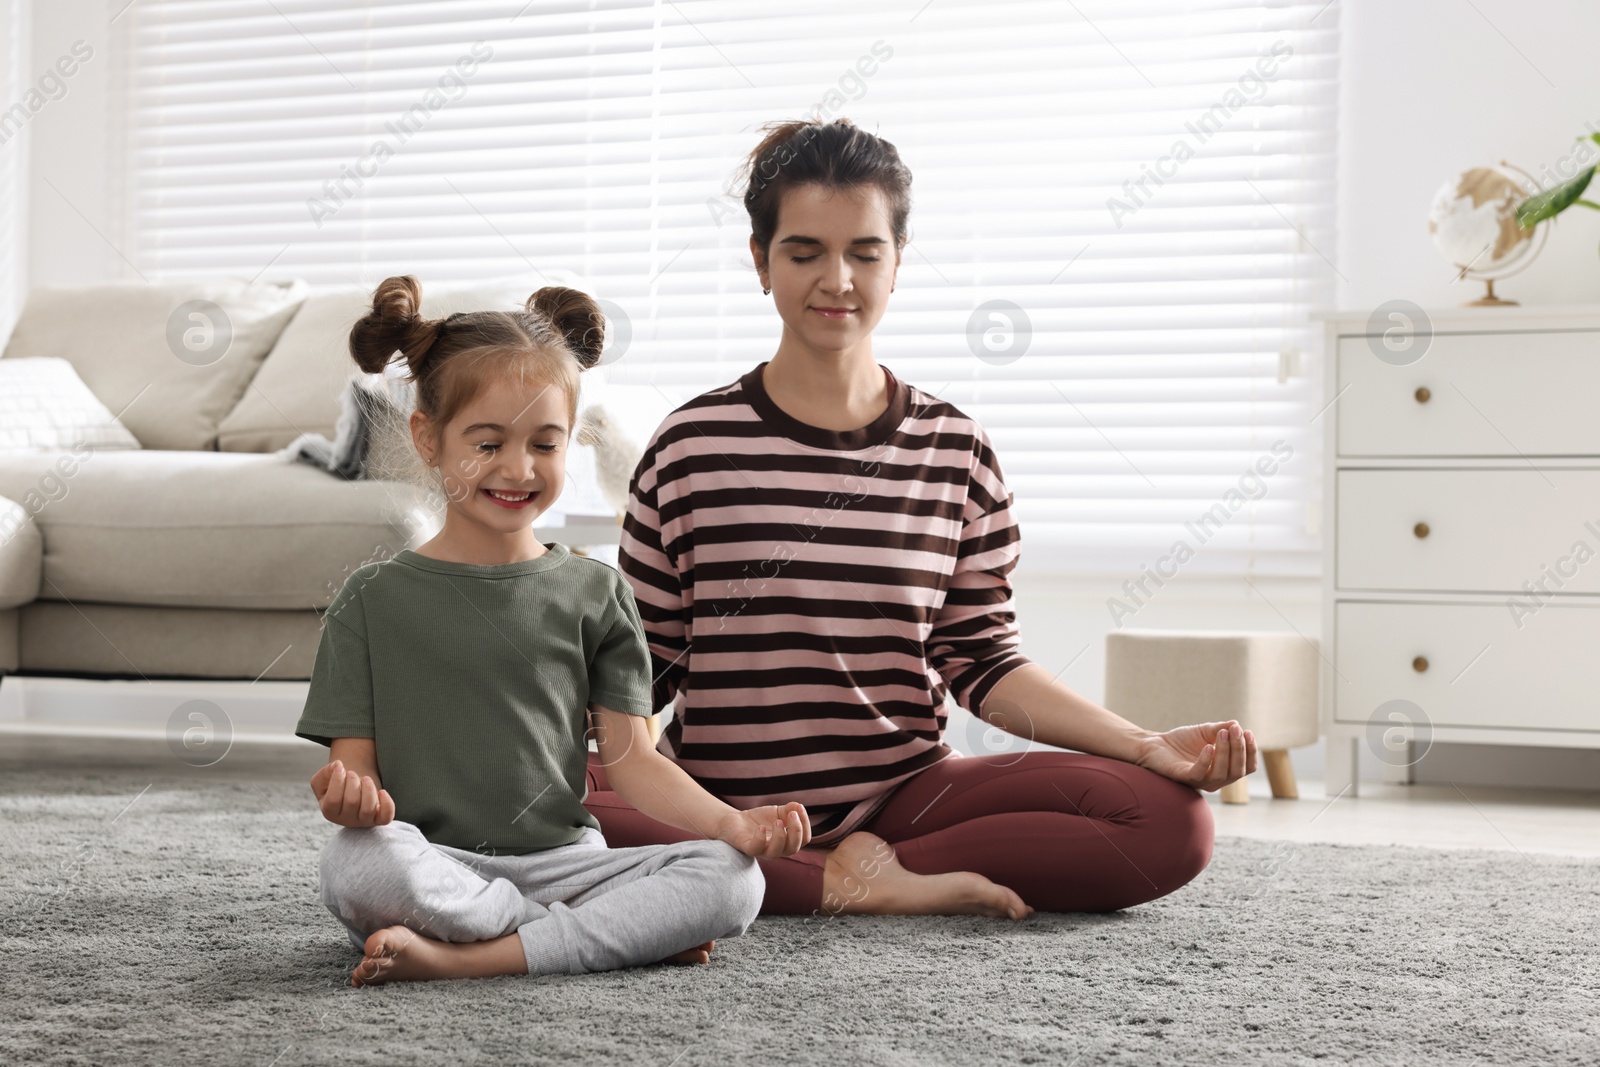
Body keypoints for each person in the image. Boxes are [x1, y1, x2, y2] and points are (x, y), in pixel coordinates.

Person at [582, 118, 1258, 919]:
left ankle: (822, 872)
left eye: (865, 252)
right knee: (529, 805)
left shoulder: (956, 450)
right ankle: (840, 878)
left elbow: (980, 658)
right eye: (805, 252)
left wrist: (1144, 744)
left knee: (1172, 823)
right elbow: (642, 670)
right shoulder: (690, 447)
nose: (837, 278)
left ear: (898, 262)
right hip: (720, 800)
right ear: (761, 262)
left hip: (908, 794)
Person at [295, 276, 812, 986]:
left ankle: (466, 956)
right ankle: (601, 939)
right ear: (428, 438)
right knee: (355, 861)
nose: (518, 468)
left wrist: (734, 826)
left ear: (571, 440)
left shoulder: (596, 590)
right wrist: (345, 797)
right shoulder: (370, 600)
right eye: (487, 443)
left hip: (570, 863)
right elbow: (355, 775)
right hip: (434, 863)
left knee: (733, 879)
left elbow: (633, 762)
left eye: (545, 443)